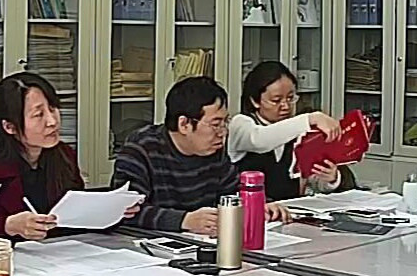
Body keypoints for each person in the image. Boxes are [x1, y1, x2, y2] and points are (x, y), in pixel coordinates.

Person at [0, 72, 139, 248]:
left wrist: (111, 213)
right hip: (4, 261)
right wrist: (8, 226)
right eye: (38, 114)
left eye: (53, 108)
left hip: (61, 257)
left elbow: (75, 222)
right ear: (9, 127)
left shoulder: (63, 154)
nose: (52, 121)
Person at [112, 76, 290, 235]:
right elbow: (126, 211)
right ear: (184, 124)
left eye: (225, 122)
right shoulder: (141, 148)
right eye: (216, 124)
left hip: (201, 243)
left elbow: (232, 190)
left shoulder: (213, 149)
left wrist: (257, 205)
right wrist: (184, 220)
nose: (223, 132)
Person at [229, 61, 348, 201]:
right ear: (255, 101)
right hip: (252, 209)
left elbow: (310, 179)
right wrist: (310, 119)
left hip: (290, 210)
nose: (285, 106)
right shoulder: (241, 124)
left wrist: (330, 179)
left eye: (290, 98)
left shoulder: (298, 130)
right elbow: (259, 140)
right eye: (276, 100)